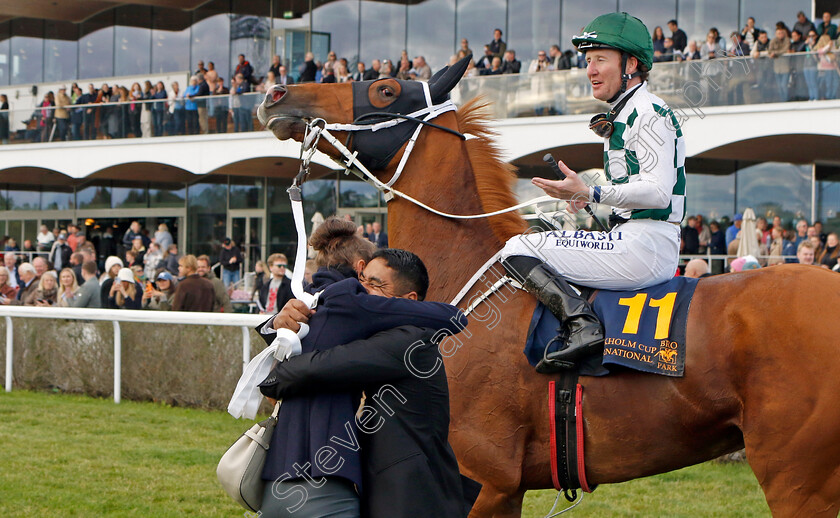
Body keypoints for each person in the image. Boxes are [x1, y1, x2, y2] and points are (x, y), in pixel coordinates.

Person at [499, 12, 684, 369]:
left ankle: (581, 326)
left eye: (601, 59)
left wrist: (593, 192)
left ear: (631, 63)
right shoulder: (626, 112)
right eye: (587, 61)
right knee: (542, 230)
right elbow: (632, 189)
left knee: (517, 247)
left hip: (646, 246)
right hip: (635, 238)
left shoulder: (650, 112)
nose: (590, 70)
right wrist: (583, 197)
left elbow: (659, 193)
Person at [257, 219, 474, 517]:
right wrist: (284, 321)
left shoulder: (409, 340)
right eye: (363, 280)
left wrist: (274, 377)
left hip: (409, 494)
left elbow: (320, 367)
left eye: (375, 284)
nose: (363, 291)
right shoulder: (386, 332)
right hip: (391, 487)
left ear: (409, 301)